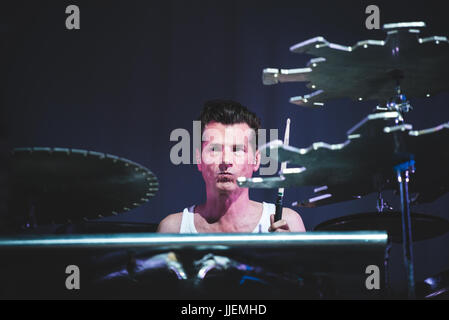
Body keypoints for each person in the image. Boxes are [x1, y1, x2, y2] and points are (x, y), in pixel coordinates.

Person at [157, 99, 305, 233]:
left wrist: (289, 256)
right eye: (214, 149)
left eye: (237, 149)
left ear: (256, 160)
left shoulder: (288, 223)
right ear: (198, 159)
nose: (226, 160)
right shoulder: (173, 229)